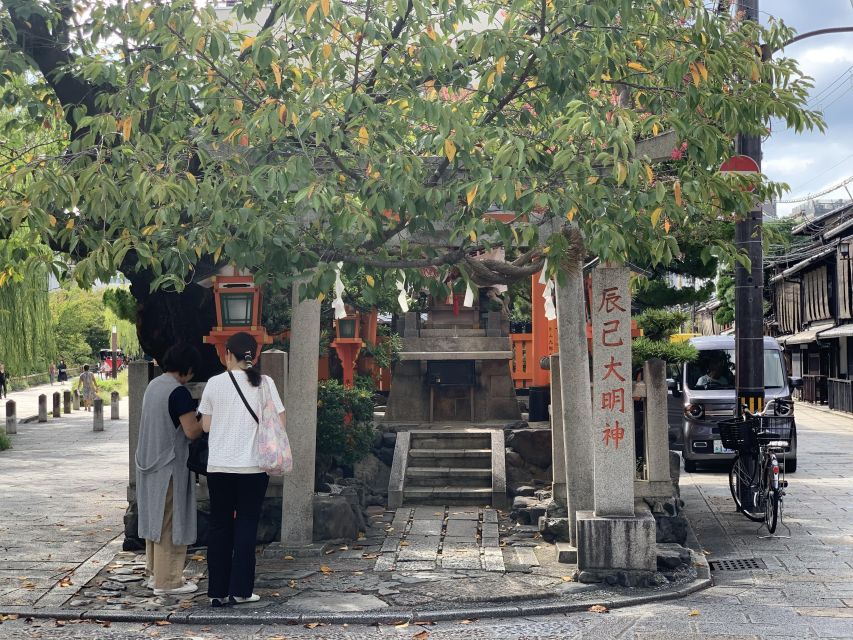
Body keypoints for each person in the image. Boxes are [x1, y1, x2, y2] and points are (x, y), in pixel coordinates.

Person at [199, 332, 285, 607]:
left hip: (220, 466)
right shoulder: (265, 384)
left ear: (227, 354)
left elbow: (206, 426)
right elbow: (279, 421)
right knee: (247, 524)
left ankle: (216, 591)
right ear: (254, 355)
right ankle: (241, 590)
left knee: (220, 525)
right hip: (253, 466)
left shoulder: (214, 383)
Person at [135, 344, 204, 596]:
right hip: (169, 467)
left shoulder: (153, 386)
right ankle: (169, 581)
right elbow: (191, 431)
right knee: (169, 522)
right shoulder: (178, 393)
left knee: (154, 520)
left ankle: (155, 574)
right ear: (187, 369)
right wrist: (208, 418)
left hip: (148, 463)